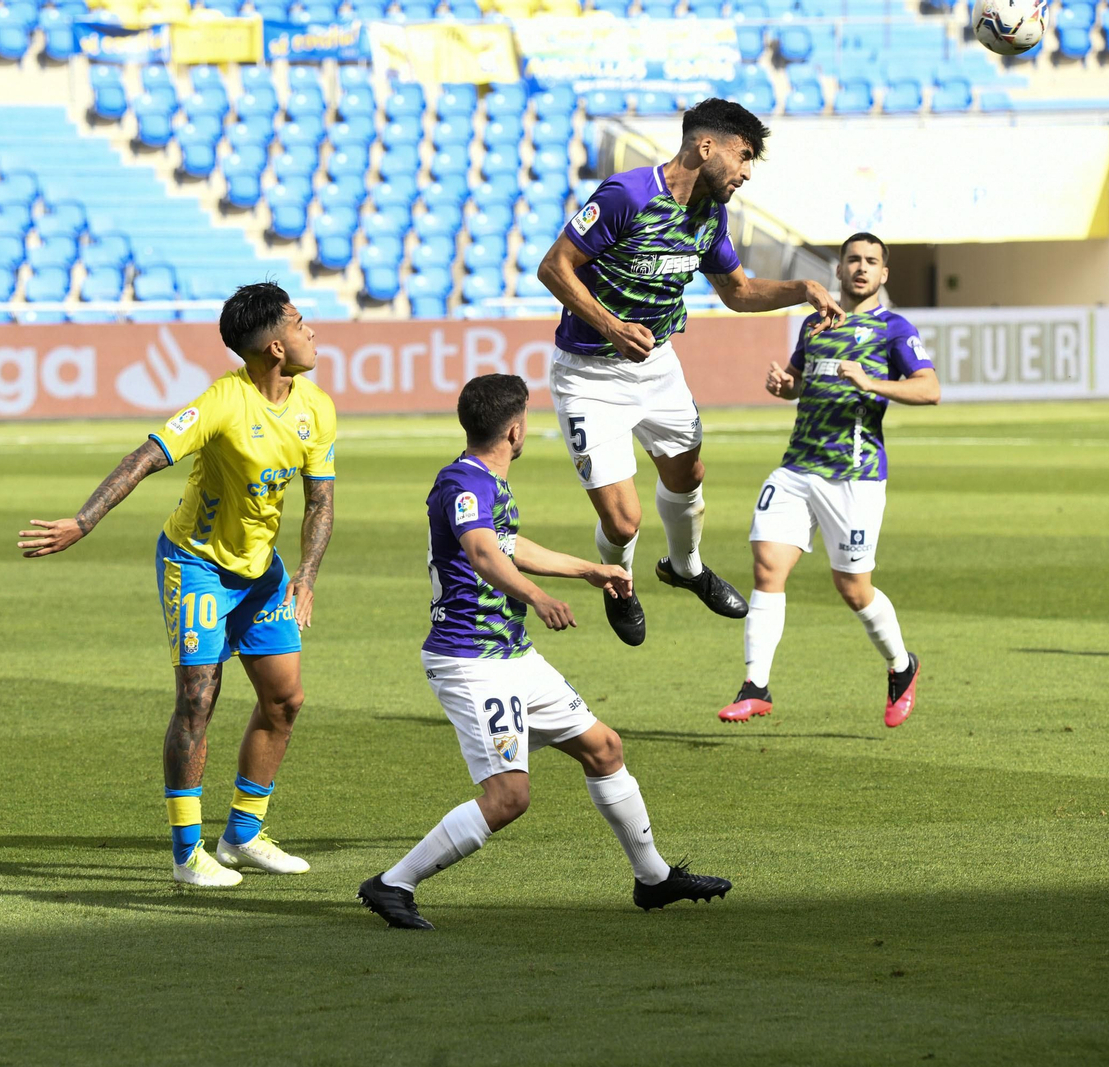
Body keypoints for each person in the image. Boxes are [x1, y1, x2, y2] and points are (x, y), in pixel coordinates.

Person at [357, 374, 732, 930]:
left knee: (603, 748)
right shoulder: (464, 485)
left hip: (510, 656)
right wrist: (537, 598)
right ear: (515, 429)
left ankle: (653, 879)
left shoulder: (484, 481)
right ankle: (393, 884)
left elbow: (509, 544)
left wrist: (589, 568)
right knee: (509, 797)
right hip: (473, 663)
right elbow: (484, 552)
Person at [18, 283, 337, 885]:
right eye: (299, 322)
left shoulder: (316, 406)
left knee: (285, 698)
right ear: (274, 346)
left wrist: (307, 577)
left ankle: (243, 835)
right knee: (197, 699)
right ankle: (187, 855)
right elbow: (146, 456)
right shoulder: (222, 402)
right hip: (197, 565)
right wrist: (83, 522)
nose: (311, 330)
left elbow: (319, 503)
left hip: (261, 574)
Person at [538, 98, 845, 647]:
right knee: (624, 523)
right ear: (706, 148)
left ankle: (686, 568)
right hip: (589, 372)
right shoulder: (627, 195)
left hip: (656, 366)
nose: (748, 172)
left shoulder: (711, 213)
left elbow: (738, 292)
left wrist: (802, 290)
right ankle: (620, 584)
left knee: (689, 477)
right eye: (744, 156)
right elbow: (553, 266)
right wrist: (610, 325)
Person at [718, 233, 939, 728]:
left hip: (854, 477)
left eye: (872, 262)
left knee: (854, 588)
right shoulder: (815, 324)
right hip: (797, 467)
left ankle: (902, 667)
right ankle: (756, 685)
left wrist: (871, 381)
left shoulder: (894, 328)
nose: (861, 268)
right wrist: (784, 386)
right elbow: (799, 382)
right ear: (838, 271)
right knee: (767, 567)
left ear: (884, 274)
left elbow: (930, 389)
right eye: (853, 260)